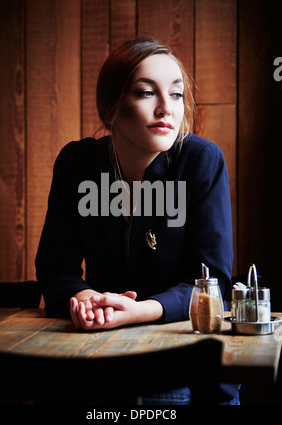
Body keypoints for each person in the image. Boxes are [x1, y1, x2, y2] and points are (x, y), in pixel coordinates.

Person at [35, 37, 239, 404]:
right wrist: (84, 299)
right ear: (112, 108)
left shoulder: (201, 161)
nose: (167, 109)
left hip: (179, 354)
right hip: (95, 349)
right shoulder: (76, 164)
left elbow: (213, 284)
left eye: (176, 94)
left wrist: (138, 311)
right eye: (147, 93)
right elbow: (55, 265)